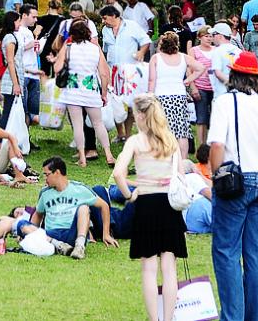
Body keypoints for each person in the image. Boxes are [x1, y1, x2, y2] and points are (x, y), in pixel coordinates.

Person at [208, 51, 258, 321]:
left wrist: (216, 175)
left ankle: (232, 317)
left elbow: (217, 145)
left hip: (235, 181)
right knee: (256, 255)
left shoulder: (224, 102)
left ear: (233, 76)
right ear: (256, 79)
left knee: (226, 252)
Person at [112, 94, 188, 321]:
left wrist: (129, 194)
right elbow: (180, 174)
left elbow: (118, 173)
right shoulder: (170, 140)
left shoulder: (135, 141)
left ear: (141, 115)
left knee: (149, 268)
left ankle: (154, 319)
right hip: (169, 206)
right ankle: (169, 317)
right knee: (169, 267)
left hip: (145, 203)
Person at [52, 19, 114, 167]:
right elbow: (104, 73)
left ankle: (82, 157)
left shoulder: (68, 48)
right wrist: (104, 92)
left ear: (72, 34)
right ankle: (109, 154)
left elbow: (57, 68)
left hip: (72, 90)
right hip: (91, 89)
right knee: (98, 123)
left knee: (78, 124)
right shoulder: (95, 48)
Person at [33, 156, 116, 259]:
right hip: (51, 234)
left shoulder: (79, 189)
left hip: (71, 232)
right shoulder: (45, 193)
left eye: (47, 175)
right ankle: (60, 246)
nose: (45, 179)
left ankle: (79, 247)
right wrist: (32, 231)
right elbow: (37, 214)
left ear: (57, 172)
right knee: (22, 225)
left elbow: (104, 205)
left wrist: (106, 234)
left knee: (84, 208)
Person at [148, 30, 202, 144]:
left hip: (161, 96)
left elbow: (152, 80)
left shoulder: (156, 58)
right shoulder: (183, 57)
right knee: (182, 132)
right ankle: (182, 159)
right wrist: (187, 80)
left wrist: (149, 96)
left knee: (161, 129)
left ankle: (164, 157)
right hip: (179, 96)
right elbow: (200, 68)